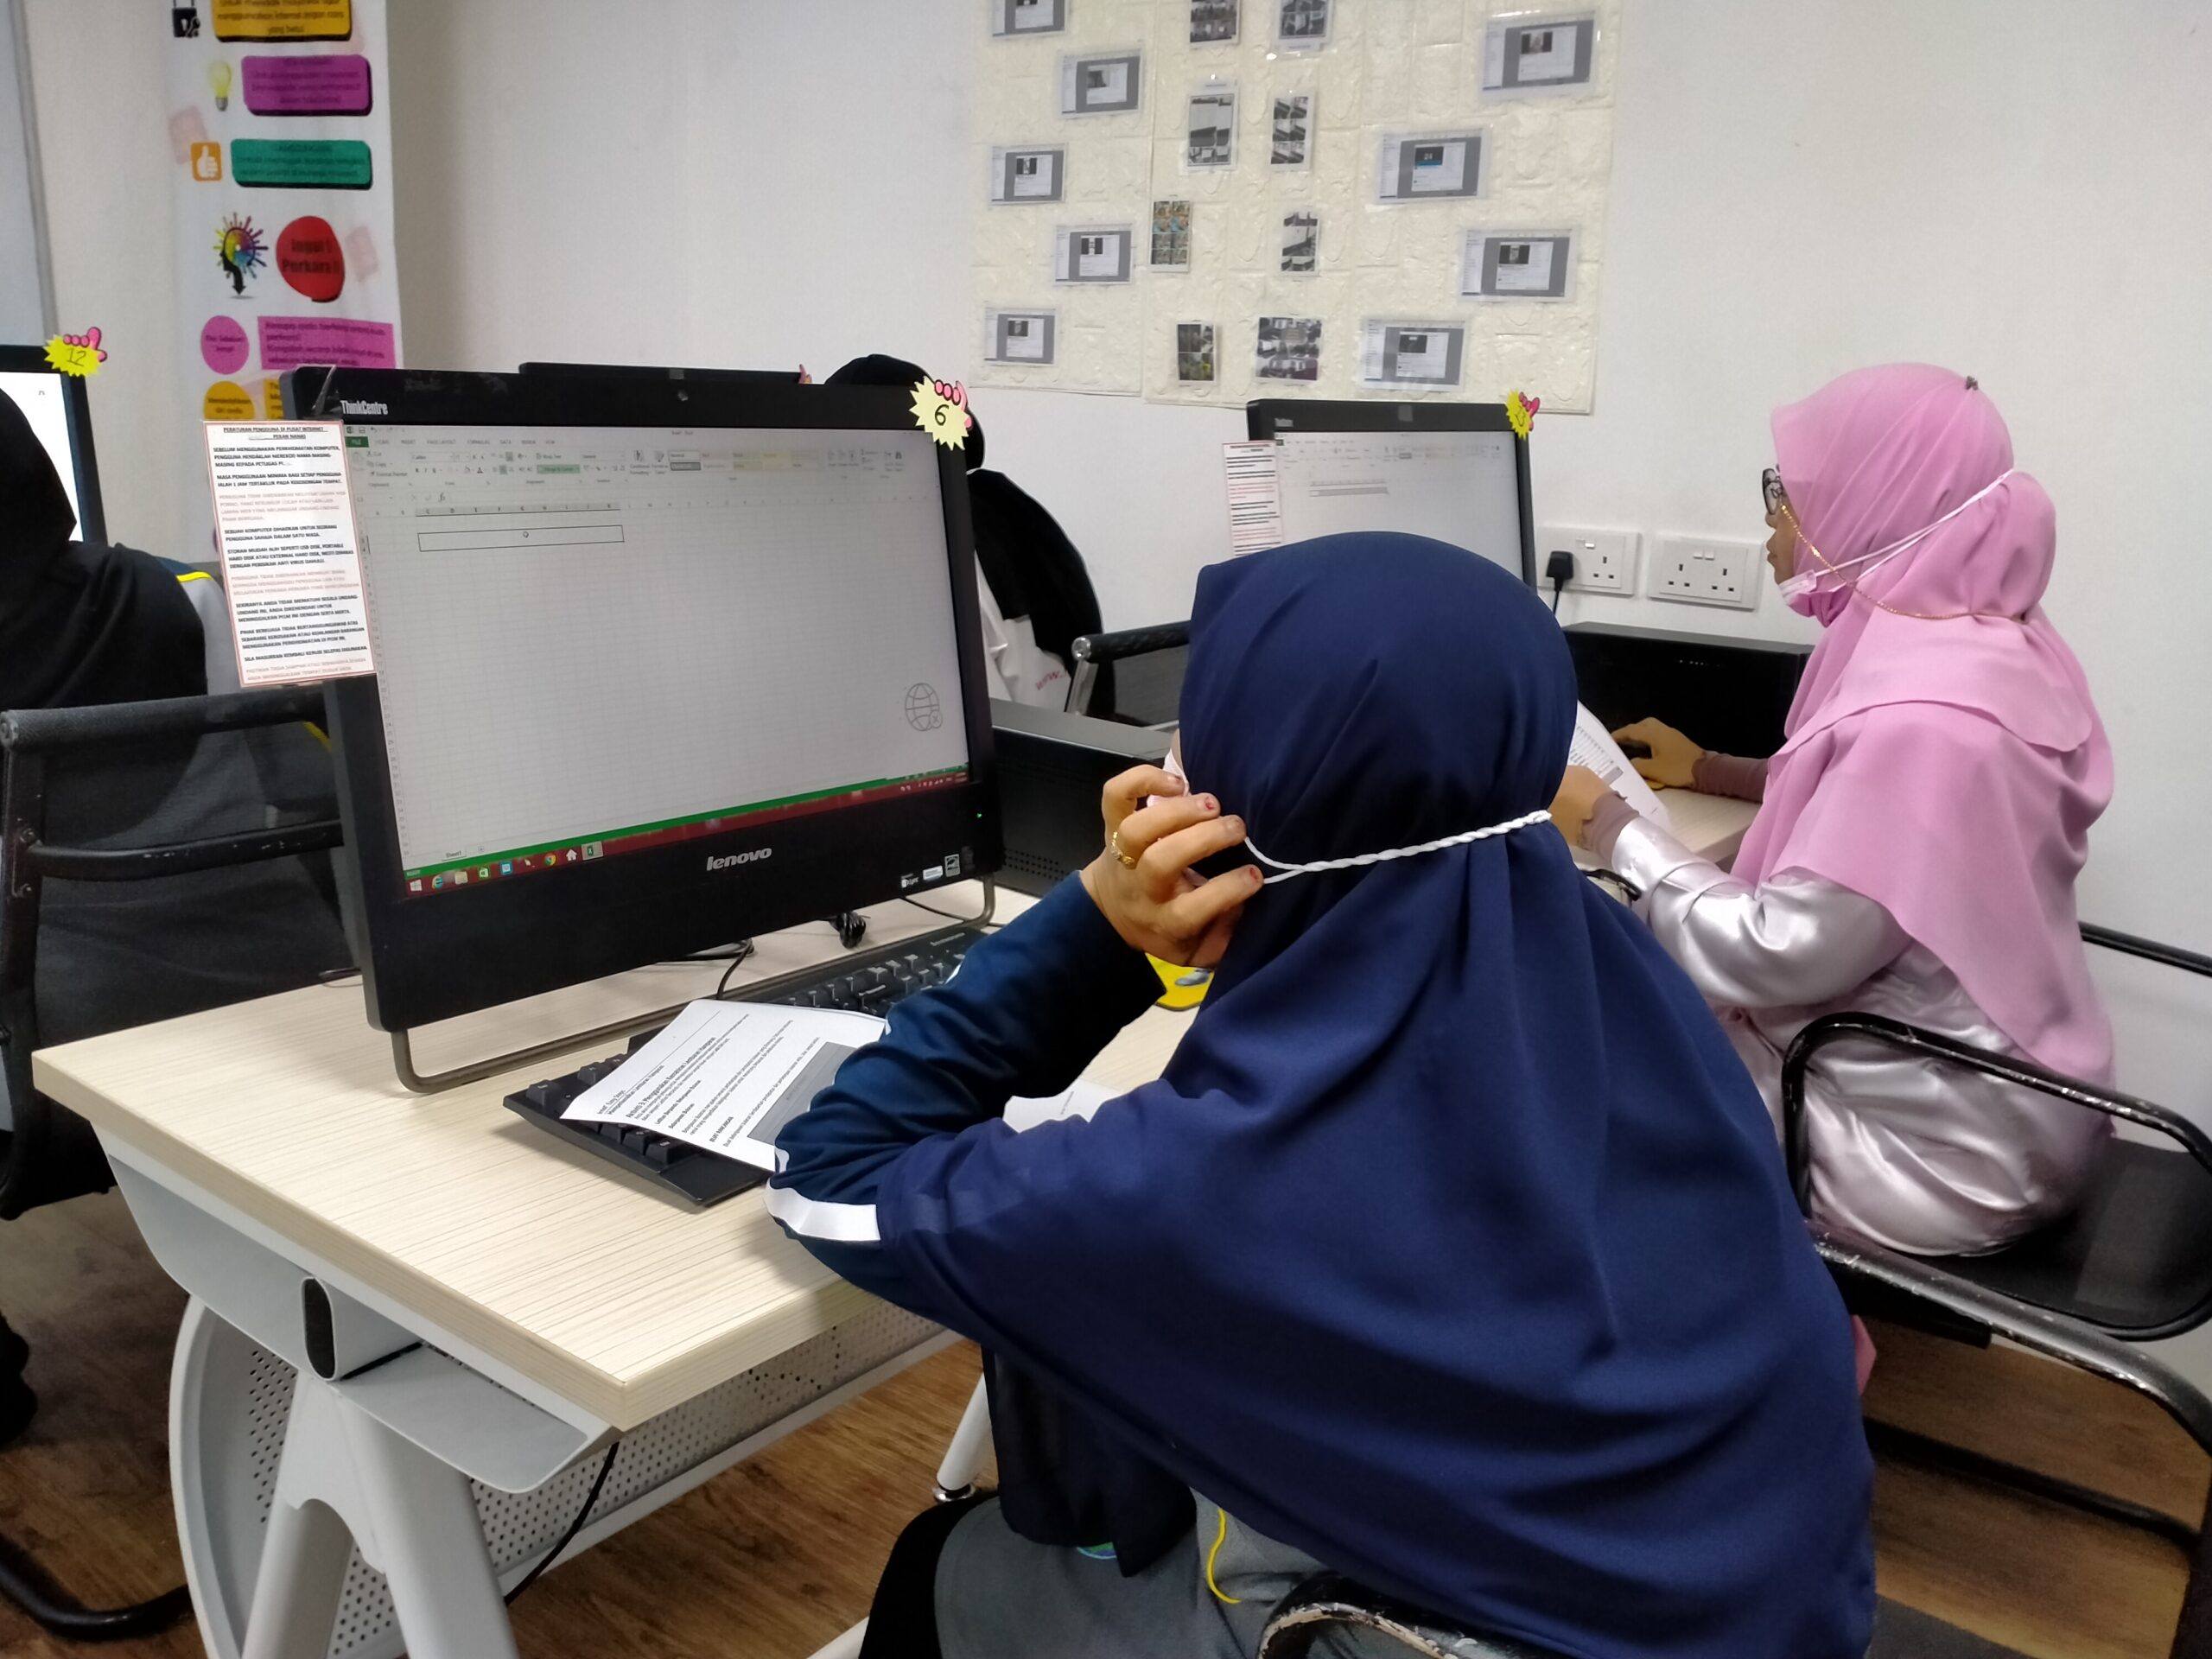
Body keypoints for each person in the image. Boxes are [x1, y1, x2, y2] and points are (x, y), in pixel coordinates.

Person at [772, 534, 1872, 1659]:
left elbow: (830, 1172)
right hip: (1777, 1604)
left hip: (1437, 1634)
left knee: (940, 1564)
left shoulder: (1211, 1166)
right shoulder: (1634, 991)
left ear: (1239, 818)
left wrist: (1098, 920)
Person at [1553, 365, 2113, 1258]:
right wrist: (1712, 770)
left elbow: (1778, 951)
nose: (1775, 522)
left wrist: (1608, 826)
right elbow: (1882, 813)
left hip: (1932, 1157)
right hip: (2017, 1102)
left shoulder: (1923, 722)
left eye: (1792, 494)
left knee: (1563, 1053)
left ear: (1872, 507)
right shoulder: (1984, 649)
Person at [824, 353, 1108, 711]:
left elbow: (976, 712)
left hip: (1024, 731)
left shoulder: (933, 543)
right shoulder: (998, 503)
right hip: (1070, 717)